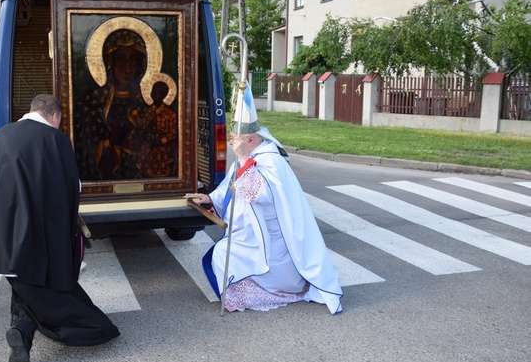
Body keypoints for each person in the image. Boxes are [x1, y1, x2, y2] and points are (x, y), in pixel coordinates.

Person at [0, 93, 120, 362]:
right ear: (54, 116)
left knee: (26, 284)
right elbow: (71, 187)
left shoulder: (3, 134)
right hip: (25, 236)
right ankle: (85, 329)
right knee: (49, 292)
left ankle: (20, 332)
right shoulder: (53, 139)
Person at [187, 86, 343, 315]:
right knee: (223, 255)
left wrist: (241, 157)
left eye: (234, 139)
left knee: (223, 254)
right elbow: (231, 186)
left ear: (250, 139)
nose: (231, 143)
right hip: (251, 232)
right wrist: (210, 197)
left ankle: (266, 293)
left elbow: (258, 194)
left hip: (270, 238)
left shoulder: (271, 161)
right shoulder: (249, 156)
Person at [75, 29, 150, 180]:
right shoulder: (92, 101)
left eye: (134, 59)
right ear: (110, 62)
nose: (128, 68)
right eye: (121, 59)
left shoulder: (148, 101)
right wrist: (109, 143)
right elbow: (84, 147)